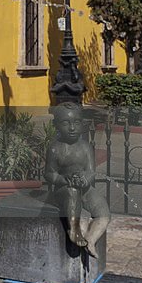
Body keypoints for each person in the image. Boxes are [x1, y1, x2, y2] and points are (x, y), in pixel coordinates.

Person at [44, 100, 110, 258]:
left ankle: (91, 240)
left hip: (84, 188)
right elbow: (49, 173)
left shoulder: (86, 147)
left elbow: (91, 171)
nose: (72, 128)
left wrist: (86, 179)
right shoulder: (55, 148)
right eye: (66, 123)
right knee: (73, 193)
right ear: (56, 125)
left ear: (82, 124)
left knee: (103, 211)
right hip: (64, 191)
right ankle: (74, 229)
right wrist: (63, 179)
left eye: (76, 122)